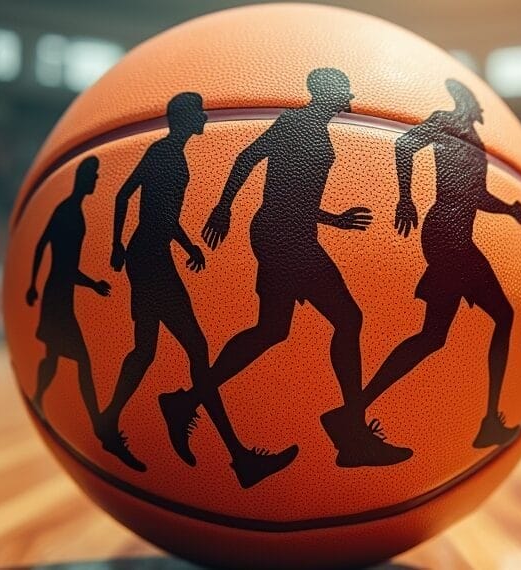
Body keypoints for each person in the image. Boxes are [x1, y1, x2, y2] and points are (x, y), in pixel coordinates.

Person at [160, 68, 412, 482]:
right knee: (344, 320)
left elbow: (291, 192)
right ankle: (350, 431)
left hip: (290, 232)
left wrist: (334, 218)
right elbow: (248, 159)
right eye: (342, 87)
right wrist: (224, 206)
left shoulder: (312, 127)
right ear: (326, 92)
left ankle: (186, 401)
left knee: (274, 329)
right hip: (284, 236)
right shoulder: (298, 123)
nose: (350, 93)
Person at [324, 79, 521, 456]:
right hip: (447, 233)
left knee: (435, 336)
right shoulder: (445, 122)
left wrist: (509, 209)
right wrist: (405, 198)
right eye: (476, 107)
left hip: (455, 234)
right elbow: (404, 144)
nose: (481, 114)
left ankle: (350, 413)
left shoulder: (468, 137)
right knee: (498, 316)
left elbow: (475, 193)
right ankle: (485, 423)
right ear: (465, 105)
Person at [99, 93, 210, 473]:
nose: (206, 117)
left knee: (146, 350)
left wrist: (187, 244)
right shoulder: (164, 153)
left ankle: (109, 420)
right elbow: (123, 194)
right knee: (196, 346)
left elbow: (162, 213)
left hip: (151, 253)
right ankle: (233, 452)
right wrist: (115, 243)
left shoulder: (172, 154)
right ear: (184, 118)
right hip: (149, 258)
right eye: (199, 112)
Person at [26, 156, 110, 430]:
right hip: (59, 296)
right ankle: (98, 421)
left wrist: (34, 285)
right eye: (94, 175)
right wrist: (31, 285)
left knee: (53, 356)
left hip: (57, 292)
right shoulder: (70, 212)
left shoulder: (70, 209)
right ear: (83, 178)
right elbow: (58, 260)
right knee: (83, 361)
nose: (97, 179)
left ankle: (38, 398)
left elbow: (45, 249)